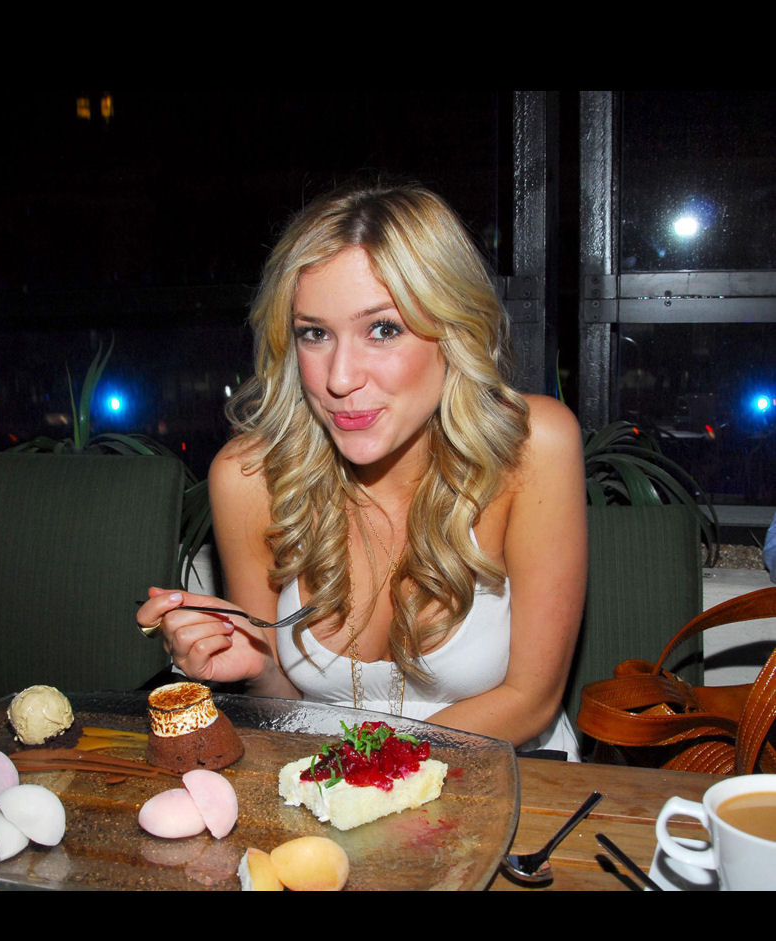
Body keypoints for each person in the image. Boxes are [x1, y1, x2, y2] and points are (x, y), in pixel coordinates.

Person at [137, 182, 587, 760]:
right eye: (315, 333)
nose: (340, 377)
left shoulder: (531, 447)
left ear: (454, 330)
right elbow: (285, 705)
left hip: (505, 777)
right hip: (325, 781)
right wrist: (253, 668)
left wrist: (362, 774)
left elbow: (531, 700)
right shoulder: (249, 478)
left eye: (383, 329)